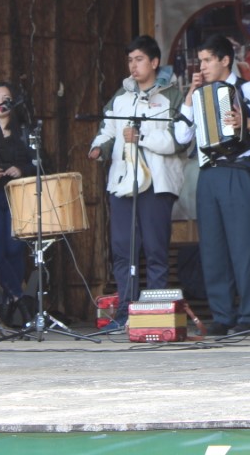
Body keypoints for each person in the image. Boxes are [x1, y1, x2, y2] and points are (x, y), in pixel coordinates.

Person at [174, 34, 250, 335]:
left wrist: (247, 124)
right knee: (212, 248)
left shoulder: (248, 90)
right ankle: (222, 315)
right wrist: (189, 97)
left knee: (242, 246)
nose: (202, 66)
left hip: (238, 171)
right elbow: (181, 137)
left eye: (208, 60)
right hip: (209, 173)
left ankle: (249, 315)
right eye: (200, 61)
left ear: (225, 60)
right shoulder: (199, 96)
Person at [88, 36, 184, 334]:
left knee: (155, 249)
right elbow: (107, 129)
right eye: (130, 60)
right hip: (123, 182)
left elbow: (178, 141)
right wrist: (98, 148)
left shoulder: (172, 95)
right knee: (122, 249)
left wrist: (142, 138)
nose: (134, 65)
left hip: (156, 183)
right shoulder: (121, 95)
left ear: (154, 62)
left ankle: (153, 313)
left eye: (139, 59)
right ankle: (124, 311)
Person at [0, 81, 35, 322]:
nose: (0, 102)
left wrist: (20, 169)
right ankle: (19, 298)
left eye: (6, 98)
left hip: (17, 197)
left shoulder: (23, 131)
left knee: (15, 250)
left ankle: (8, 305)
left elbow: (39, 162)